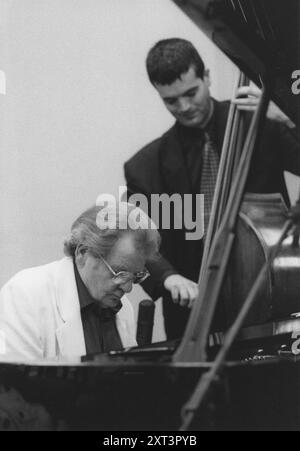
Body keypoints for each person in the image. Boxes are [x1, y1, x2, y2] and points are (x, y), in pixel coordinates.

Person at [124, 38, 300, 340]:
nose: (185, 107)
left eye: (191, 93)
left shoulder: (263, 121)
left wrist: (288, 115)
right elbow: (141, 237)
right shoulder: (145, 166)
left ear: (206, 77)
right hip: (194, 313)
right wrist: (169, 277)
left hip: (272, 295)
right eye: (171, 100)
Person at [0, 202, 160, 361]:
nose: (128, 288)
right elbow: (16, 382)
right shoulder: (24, 296)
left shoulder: (123, 308)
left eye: (135, 276)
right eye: (119, 273)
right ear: (83, 252)